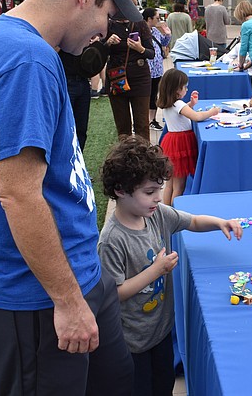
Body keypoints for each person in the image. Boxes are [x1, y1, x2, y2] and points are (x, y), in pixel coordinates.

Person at [0, 0, 141, 395]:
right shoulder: (27, 59)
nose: (103, 29)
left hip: (71, 275)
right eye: (107, 12)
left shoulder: (21, 44)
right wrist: (67, 300)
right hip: (30, 293)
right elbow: (17, 193)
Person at [98, 136, 242, 396]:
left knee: (163, 385)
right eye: (149, 192)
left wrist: (220, 222)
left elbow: (193, 221)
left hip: (161, 330)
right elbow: (113, 292)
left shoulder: (157, 215)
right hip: (132, 340)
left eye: (159, 189)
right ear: (120, 190)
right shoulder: (111, 240)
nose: (158, 198)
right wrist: (155, 270)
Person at [155, 68, 220, 205]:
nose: (186, 89)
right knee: (179, 186)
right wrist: (212, 112)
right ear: (177, 90)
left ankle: (166, 210)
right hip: (181, 143)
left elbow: (181, 113)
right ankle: (174, 214)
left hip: (171, 142)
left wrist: (191, 104)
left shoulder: (168, 103)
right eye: (185, 87)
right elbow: (196, 117)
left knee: (170, 185)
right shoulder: (178, 104)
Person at [106, 12, 155, 142]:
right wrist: (107, 43)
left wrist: (140, 49)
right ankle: (124, 158)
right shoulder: (108, 24)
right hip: (117, 78)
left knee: (142, 125)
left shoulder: (139, 23)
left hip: (140, 78)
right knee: (123, 127)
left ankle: (145, 158)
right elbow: (98, 52)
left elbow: (151, 53)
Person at [60, 37, 108, 150]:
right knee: (66, 126)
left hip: (83, 80)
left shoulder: (83, 32)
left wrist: (93, 41)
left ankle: (78, 158)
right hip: (66, 79)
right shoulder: (62, 33)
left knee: (81, 127)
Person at [145, 7, 172, 130]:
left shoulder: (155, 31)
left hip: (157, 69)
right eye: (156, 18)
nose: (159, 20)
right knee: (145, 95)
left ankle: (152, 119)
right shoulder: (141, 31)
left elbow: (164, 43)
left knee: (154, 94)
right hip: (146, 69)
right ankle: (143, 120)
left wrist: (167, 34)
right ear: (149, 19)